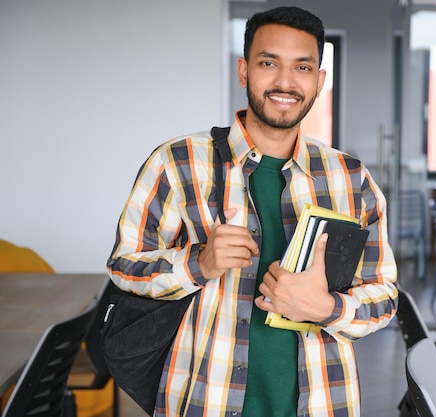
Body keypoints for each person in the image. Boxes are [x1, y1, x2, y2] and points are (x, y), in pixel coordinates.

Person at [106, 6, 397, 417]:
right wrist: (197, 263)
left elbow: (384, 297)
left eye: (303, 67)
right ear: (244, 71)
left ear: (319, 80)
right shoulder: (178, 162)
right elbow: (123, 266)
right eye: (268, 63)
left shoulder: (351, 178)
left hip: (321, 403)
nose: (285, 81)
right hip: (205, 401)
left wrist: (327, 309)